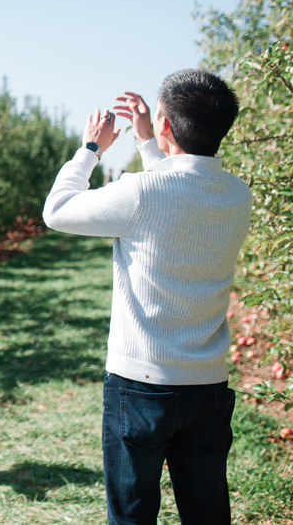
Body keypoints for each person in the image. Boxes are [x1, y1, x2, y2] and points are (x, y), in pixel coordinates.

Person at [42, 69, 252, 525]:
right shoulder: (238, 194)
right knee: (208, 514)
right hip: (207, 386)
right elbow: (178, 189)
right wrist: (149, 144)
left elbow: (56, 212)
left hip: (140, 385)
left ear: (166, 126)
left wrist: (90, 149)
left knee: (133, 515)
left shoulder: (141, 191)